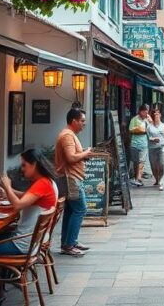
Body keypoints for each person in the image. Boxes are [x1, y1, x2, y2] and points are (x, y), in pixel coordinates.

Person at [0, 148, 58, 304]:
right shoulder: (47, 182)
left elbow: (17, 206)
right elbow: (27, 198)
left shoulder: (41, 184)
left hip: (23, 243)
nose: (22, 169)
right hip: (33, 242)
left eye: (24, 165)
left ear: (34, 164)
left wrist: (8, 186)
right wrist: (8, 192)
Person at [55, 107, 93, 256]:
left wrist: (83, 153)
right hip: (71, 178)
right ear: (74, 121)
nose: (84, 124)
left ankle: (69, 242)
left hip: (73, 177)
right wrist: (85, 153)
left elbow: (72, 155)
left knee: (71, 211)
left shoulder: (70, 135)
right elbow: (70, 158)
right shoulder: (67, 136)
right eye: (82, 121)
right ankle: (70, 244)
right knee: (80, 209)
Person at [128, 104, 150, 187]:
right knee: (135, 162)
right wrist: (139, 130)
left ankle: (138, 178)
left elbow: (151, 129)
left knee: (141, 162)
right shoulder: (134, 119)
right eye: (144, 111)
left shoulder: (147, 120)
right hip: (134, 144)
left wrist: (150, 121)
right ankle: (135, 177)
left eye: (147, 111)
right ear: (140, 111)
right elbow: (130, 130)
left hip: (144, 144)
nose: (146, 113)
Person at [146, 108, 164, 189]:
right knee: (154, 166)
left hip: (161, 148)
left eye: (158, 114)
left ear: (160, 115)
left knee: (161, 164)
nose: (156, 116)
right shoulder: (149, 127)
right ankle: (157, 179)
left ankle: (161, 181)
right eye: (155, 114)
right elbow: (148, 137)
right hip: (152, 148)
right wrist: (153, 139)